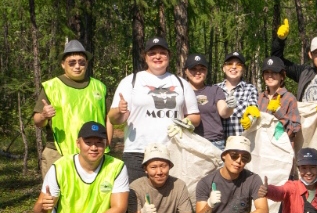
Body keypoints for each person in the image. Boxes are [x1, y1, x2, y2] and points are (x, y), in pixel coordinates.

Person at [109, 37, 200, 181]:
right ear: (145, 57)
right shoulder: (131, 82)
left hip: (173, 150)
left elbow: (195, 117)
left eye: (162, 52)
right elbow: (114, 119)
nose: (157, 56)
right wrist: (119, 111)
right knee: (135, 198)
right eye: (152, 53)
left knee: (172, 200)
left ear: (169, 56)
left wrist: (186, 122)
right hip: (137, 151)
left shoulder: (181, 84)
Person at [33, 40, 110, 176]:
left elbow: (109, 118)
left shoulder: (99, 87)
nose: (77, 66)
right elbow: (37, 121)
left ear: (86, 64)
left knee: (92, 196)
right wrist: (44, 116)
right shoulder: (52, 87)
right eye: (72, 62)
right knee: (54, 196)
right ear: (63, 64)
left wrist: (106, 144)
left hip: (93, 152)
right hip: (58, 152)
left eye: (81, 62)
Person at [247, 56, 302, 154]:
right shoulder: (259, 98)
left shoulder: (289, 98)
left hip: (281, 151)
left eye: (274, 72)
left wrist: (278, 112)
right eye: (267, 72)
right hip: (260, 149)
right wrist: (249, 120)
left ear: (282, 76)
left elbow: (294, 130)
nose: (270, 76)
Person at [183, 53, 235, 149]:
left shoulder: (214, 90)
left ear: (206, 71)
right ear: (186, 71)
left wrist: (230, 107)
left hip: (215, 143)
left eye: (202, 69)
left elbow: (224, 113)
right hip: (190, 143)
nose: (198, 72)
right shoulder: (180, 92)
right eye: (193, 69)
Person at [217, 50, 259, 138]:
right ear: (224, 68)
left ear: (243, 69)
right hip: (218, 144)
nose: (234, 67)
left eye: (239, 64)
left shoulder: (250, 89)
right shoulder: (215, 89)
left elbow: (253, 111)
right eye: (229, 64)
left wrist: (251, 119)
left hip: (242, 142)